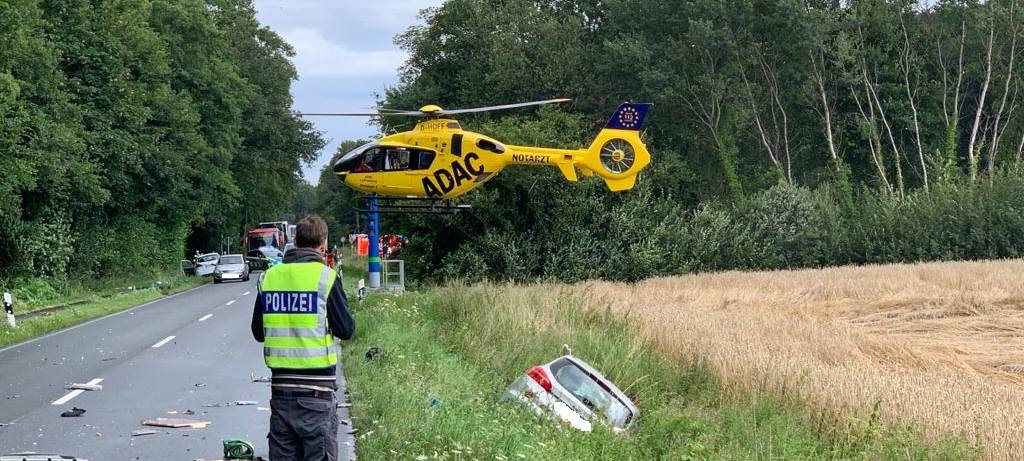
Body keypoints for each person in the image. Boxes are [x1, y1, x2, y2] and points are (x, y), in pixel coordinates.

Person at [251, 215, 355, 461]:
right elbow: (346, 330)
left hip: (281, 393)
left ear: (295, 241)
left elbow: (258, 332)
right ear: (323, 243)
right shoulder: (326, 278)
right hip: (317, 393)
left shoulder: (269, 277)